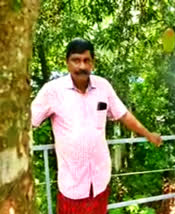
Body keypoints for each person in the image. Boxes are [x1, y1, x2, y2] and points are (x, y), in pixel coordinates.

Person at [31, 38, 162, 214]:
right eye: (76, 60)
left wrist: (148, 134)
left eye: (86, 60)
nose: (81, 66)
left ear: (93, 62)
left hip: (99, 181)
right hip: (72, 185)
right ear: (67, 62)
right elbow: (29, 122)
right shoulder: (52, 91)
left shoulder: (103, 86)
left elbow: (122, 114)